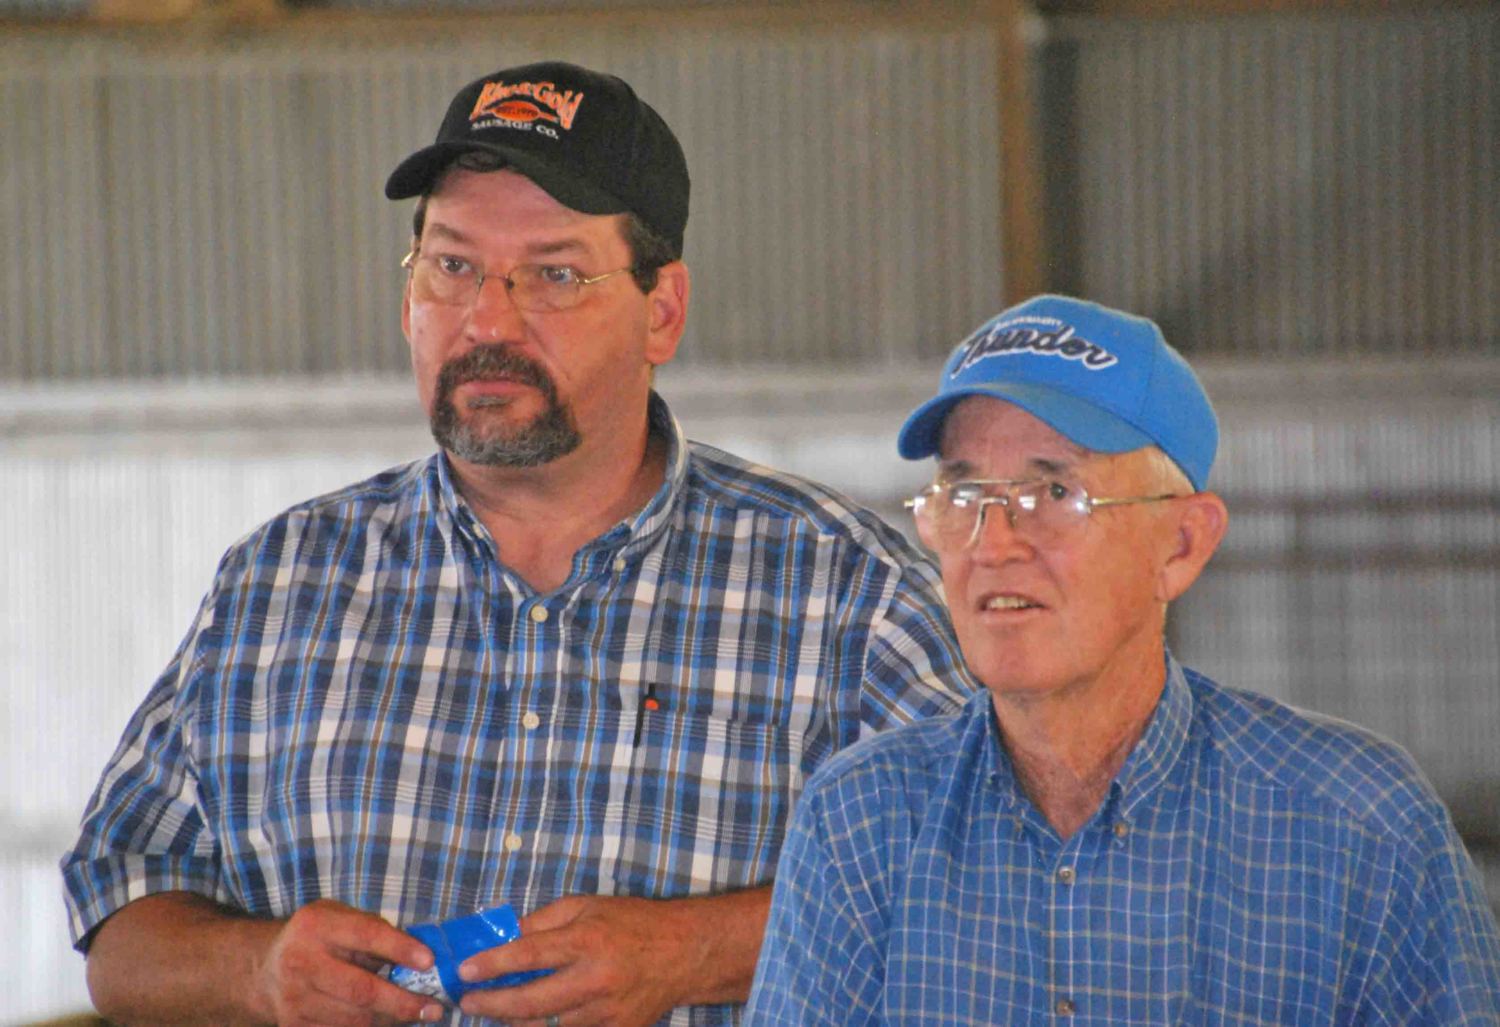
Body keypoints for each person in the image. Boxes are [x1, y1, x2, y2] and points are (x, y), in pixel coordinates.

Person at [61, 60, 974, 1027]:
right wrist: (256, 969)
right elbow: (121, 919)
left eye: (555, 275)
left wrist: (692, 950)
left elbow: (990, 874)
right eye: (451, 267)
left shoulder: (842, 590)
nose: (487, 321)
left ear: (662, 310)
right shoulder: (279, 583)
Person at [746, 294, 1500, 1024]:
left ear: (1182, 544)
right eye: (965, 494)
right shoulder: (863, 821)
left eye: (1053, 491)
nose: (993, 543)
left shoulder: (1357, 828)